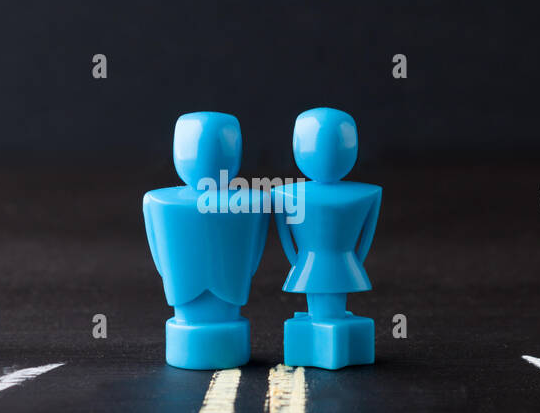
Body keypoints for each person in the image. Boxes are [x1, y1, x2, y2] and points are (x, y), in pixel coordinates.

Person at [143, 112, 270, 369]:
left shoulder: (157, 202)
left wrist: (173, 275)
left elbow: (159, 257)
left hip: (189, 292)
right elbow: (254, 254)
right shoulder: (254, 202)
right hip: (225, 293)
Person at [271, 108, 381, 369]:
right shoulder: (286, 194)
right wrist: (354, 260)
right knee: (322, 305)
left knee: (329, 305)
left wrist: (298, 262)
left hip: (317, 262)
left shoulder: (286, 193)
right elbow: (365, 240)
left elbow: (286, 238)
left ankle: (327, 320)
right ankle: (321, 320)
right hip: (334, 262)